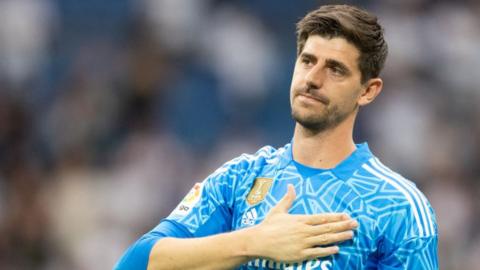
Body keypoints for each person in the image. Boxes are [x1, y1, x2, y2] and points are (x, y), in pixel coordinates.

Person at [115, 4, 438, 270]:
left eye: (335, 69)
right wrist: (253, 242)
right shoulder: (239, 178)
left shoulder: (398, 205)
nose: (313, 78)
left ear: (368, 91)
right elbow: (135, 264)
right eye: (307, 61)